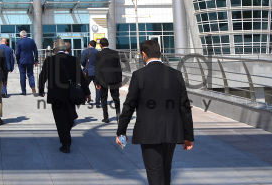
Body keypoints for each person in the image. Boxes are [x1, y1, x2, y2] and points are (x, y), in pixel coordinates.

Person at [117, 40, 194, 185]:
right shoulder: (176, 74)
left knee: (154, 172)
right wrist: (188, 136)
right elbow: (185, 107)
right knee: (166, 170)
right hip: (171, 130)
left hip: (149, 131)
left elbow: (129, 105)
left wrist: (121, 131)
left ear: (143, 54)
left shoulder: (139, 75)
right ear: (160, 53)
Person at [38, 38, 91, 153]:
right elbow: (81, 78)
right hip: (70, 95)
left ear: (54, 50)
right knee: (69, 115)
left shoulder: (49, 60)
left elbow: (42, 76)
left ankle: (65, 143)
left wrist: (41, 90)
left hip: (55, 95)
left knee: (59, 119)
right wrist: (87, 93)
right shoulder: (73, 60)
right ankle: (68, 130)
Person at [94, 38, 122, 123]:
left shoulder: (98, 54)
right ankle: (118, 116)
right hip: (114, 79)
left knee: (104, 98)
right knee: (116, 98)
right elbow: (119, 67)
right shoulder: (115, 53)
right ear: (108, 44)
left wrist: (97, 82)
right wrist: (119, 80)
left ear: (100, 45)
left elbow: (97, 69)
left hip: (103, 79)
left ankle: (106, 118)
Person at [15, 30, 38, 95]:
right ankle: (32, 85)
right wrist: (36, 60)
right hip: (30, 60)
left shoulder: (19, 42)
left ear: (21, 35)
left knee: (22, 75)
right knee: (30, 74)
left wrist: (17, 60)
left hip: (22, 61)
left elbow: (17, 53)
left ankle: (24, 91)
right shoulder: (32, 41)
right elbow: (35, 51)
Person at [80, 40, 101, 107]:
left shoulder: (85, 51)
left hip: (87, 72)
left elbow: (82, 61)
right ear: (95, 45)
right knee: (98, 87)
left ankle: (83, 100)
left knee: (84, 86)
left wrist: (85, 66)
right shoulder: (97, 52)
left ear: (89, 44)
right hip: (96, 72)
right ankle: (97, 102)